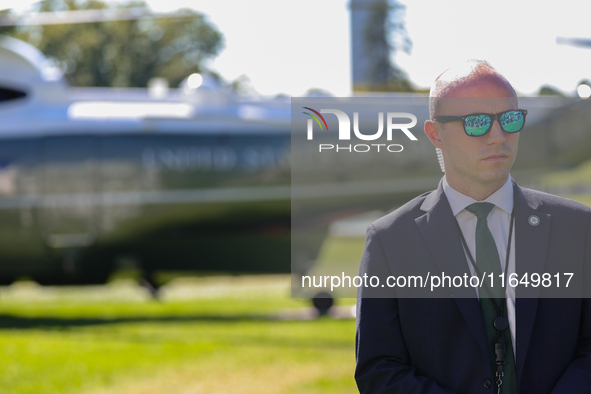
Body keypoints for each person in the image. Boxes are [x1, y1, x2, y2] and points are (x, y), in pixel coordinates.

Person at [355, 60, 591, 393]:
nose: (498, 137)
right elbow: (379, 369)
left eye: (509, 119)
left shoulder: (578, 228)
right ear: (435, 133)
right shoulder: (390, 240)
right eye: (477, 123)